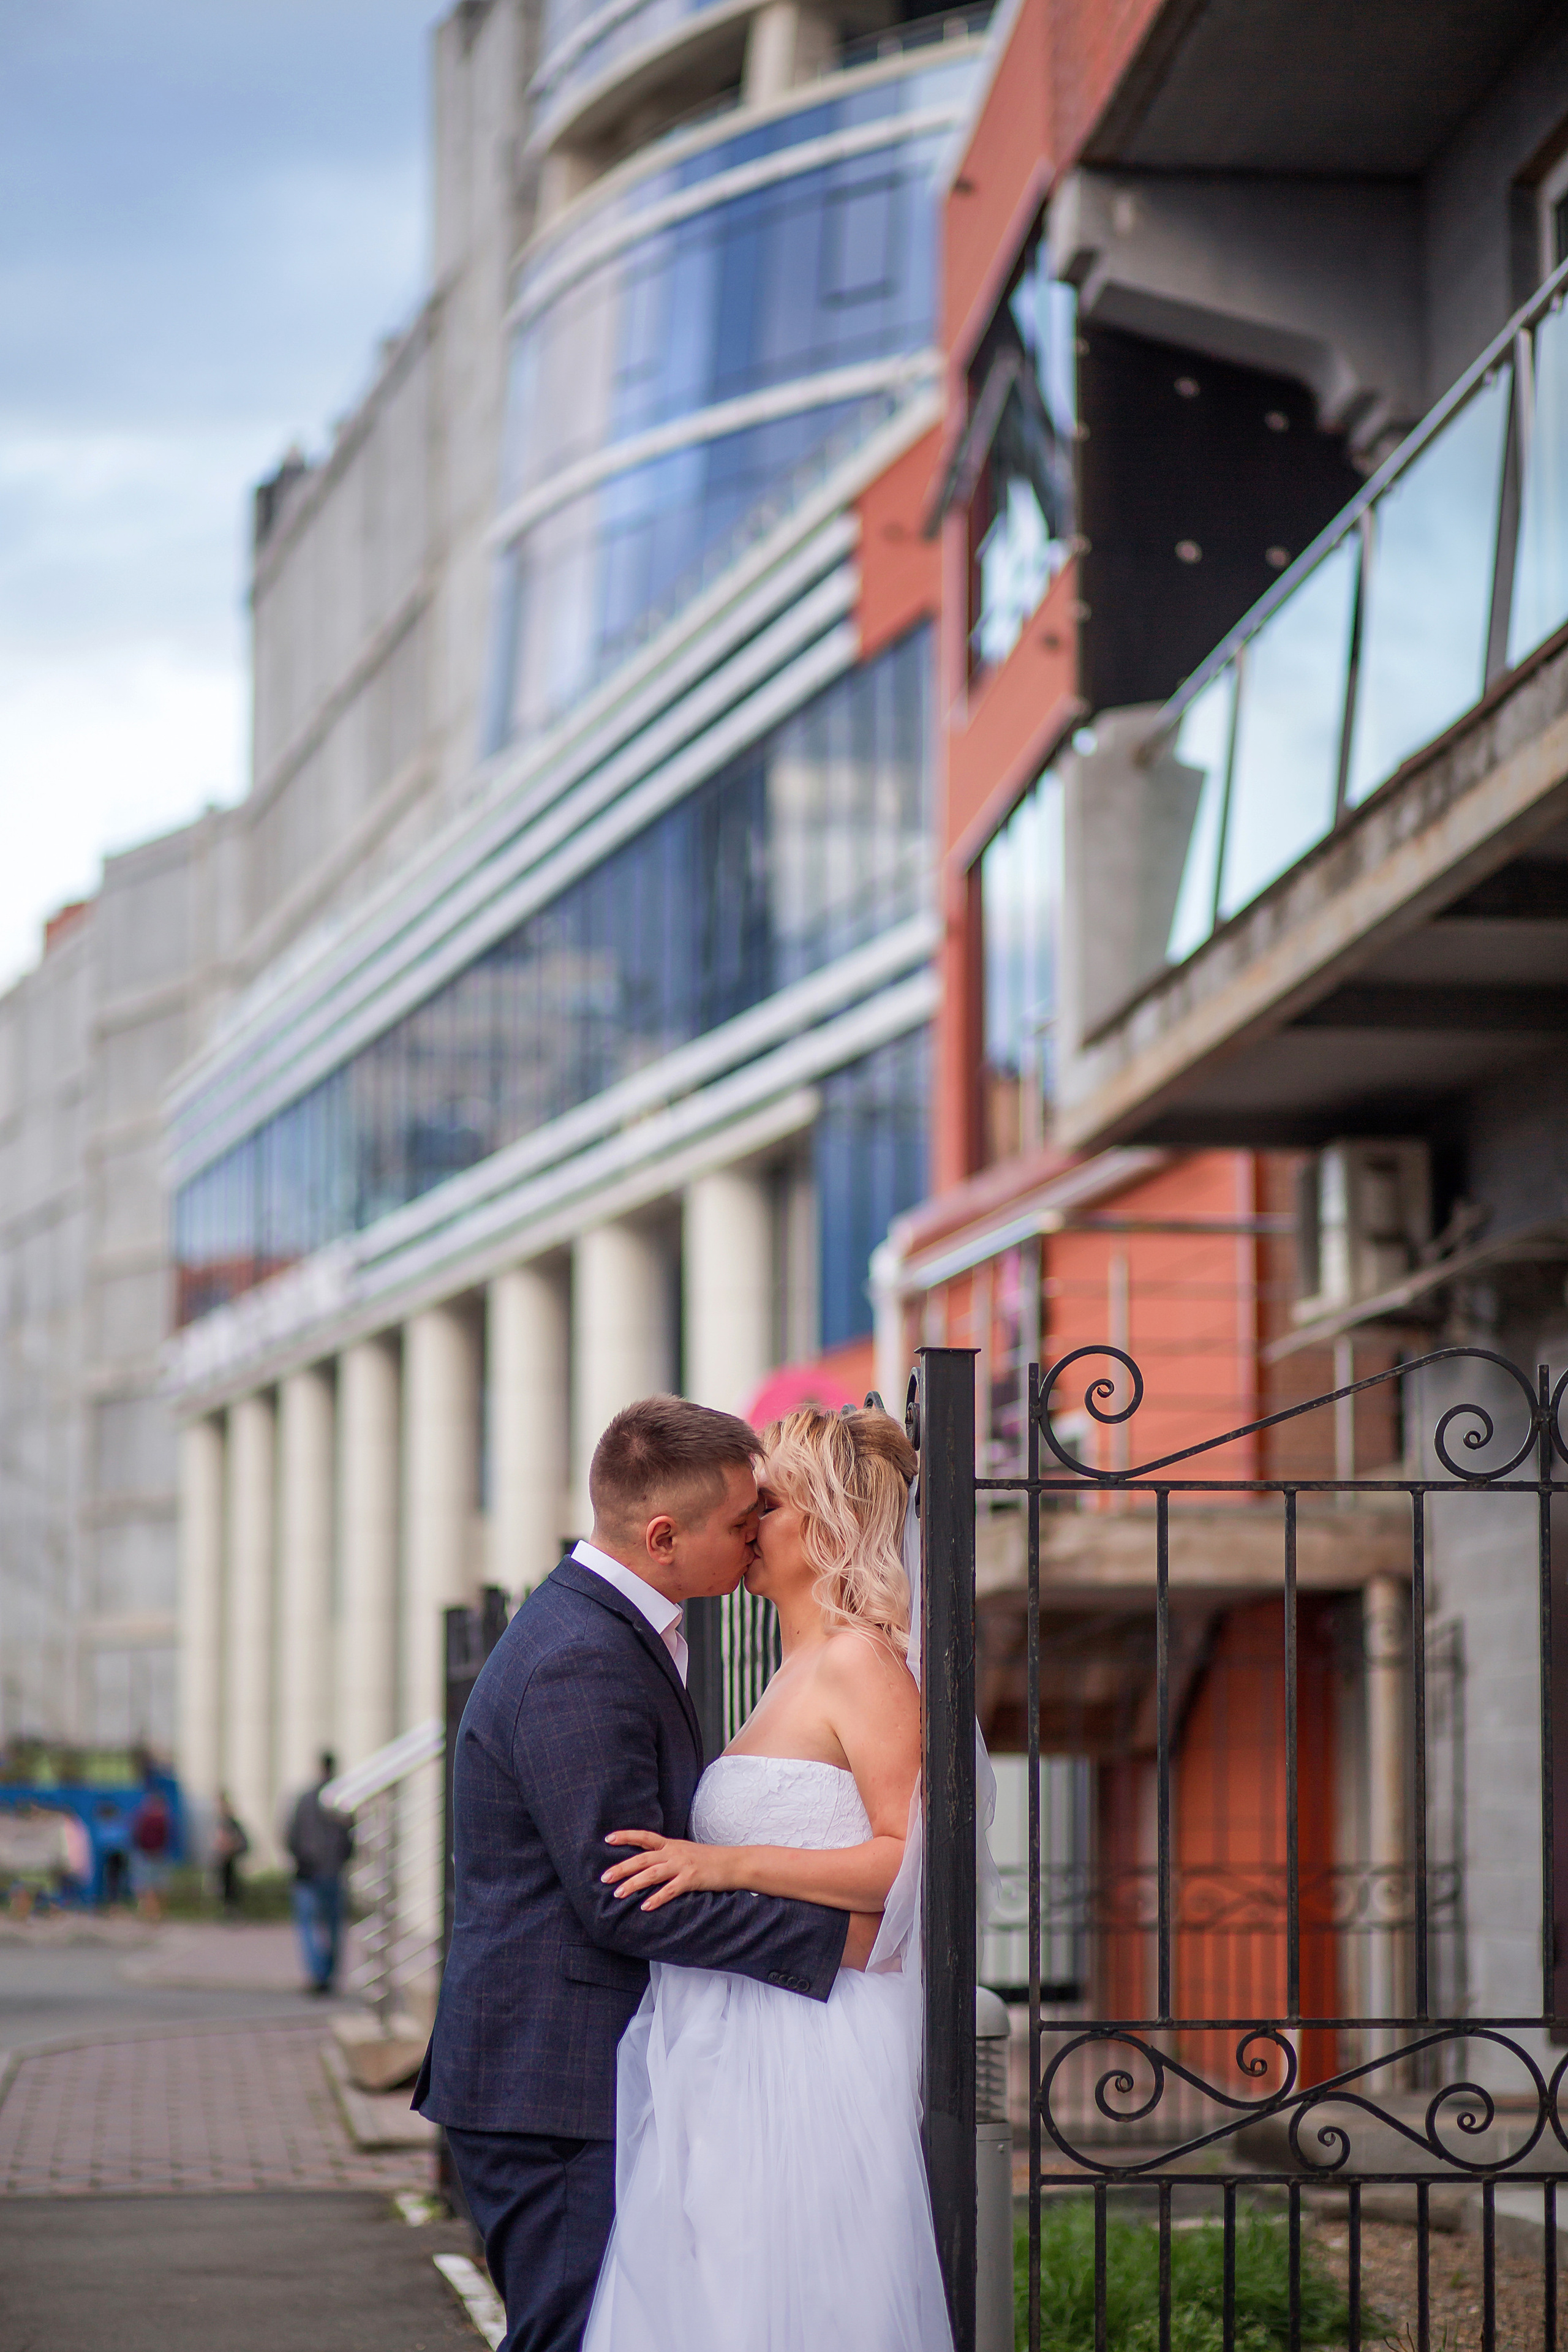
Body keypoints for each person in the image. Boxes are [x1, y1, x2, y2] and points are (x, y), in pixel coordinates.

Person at [413, 1396, 876, 2352]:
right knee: (574, 2335)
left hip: (576, 2072)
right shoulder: (579, 1658)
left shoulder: (609, 1629)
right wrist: (840, 1942)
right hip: (553, 2087)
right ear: (665, 1536)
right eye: (744, 1522)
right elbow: (625, 1898)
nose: (758, 1538)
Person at [583, 1404, 951, 2352]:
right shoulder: (788, 1669)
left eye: (769, 1508)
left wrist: (726, 1864)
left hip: (813, 2043)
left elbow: (908, 1861)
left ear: (826, 1527)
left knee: (797, 2297)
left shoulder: (861, 1663)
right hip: (734, 2035)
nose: (747, 1525)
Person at [284, 1753, 353, 1994]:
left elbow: (290, 1835)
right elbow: (349, 1840)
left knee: (310, 1926)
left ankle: (317, 1975)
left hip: (308, 1873)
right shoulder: (342, 1801)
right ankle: (328, 1975)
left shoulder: (305, 1799)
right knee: (332, 1927)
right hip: (332, 1871)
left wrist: (302, 1857)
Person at [129, 1785, 173, 1921]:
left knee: (147, 1885)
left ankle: (150, 1912)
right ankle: (158, 1912)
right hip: (159, 1853)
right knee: (158, 1885)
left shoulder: (144, 1816)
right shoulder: (164, 1817)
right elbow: (169, 1837)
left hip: (145, 1853)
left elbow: (136, 1835)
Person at [211, 1792, 250, 1917]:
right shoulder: (221, 1821)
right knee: (225, 1885)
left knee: (231, 1885)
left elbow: (239, 1840)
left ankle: (232, 1910)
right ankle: (228, 1910)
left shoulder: (231, 1822)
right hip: (224, 1859)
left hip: (231, 1859)